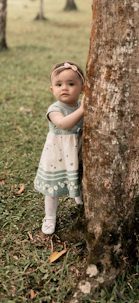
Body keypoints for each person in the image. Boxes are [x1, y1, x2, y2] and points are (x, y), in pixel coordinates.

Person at [34, 61, 85, 235]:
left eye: (71, 84)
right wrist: (84, 110)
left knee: (78, 177)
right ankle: (49, 217)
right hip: (57, 155)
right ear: (52, 89)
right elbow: (63, 124)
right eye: (59, 84)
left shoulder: (80, 106)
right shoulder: (54, 109)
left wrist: (83, 108)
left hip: (77, 152)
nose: (65, 88)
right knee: (52, 189)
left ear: (83, 89)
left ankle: (80, 200)